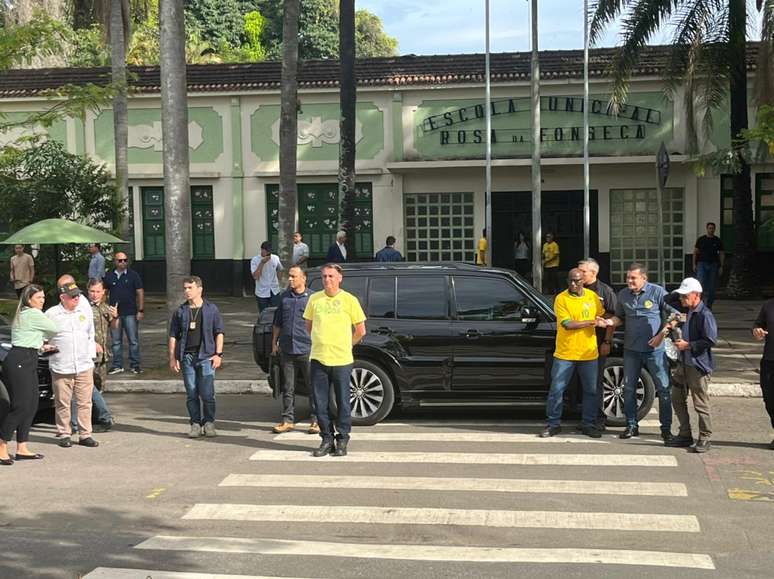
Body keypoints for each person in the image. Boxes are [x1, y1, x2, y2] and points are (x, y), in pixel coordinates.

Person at [604, 263, 677, 443]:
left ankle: (666, 430)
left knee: (664, 389)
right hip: (631, 350)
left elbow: (676, 316)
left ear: (644, 278)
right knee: (628, 389)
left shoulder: (658, 292)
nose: (629, 280)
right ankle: (631, 425)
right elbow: (619, 318)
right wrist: (608, 323)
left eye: (633, 278)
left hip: (655, 351)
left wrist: (662, 334)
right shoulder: (623, 295)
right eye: (628, 277)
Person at [304, 263, 366, 457]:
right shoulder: (314, 299)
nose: (327, 280)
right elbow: (309, 326)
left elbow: (360, 331)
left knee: (343, 402)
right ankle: (326, 438)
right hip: (319, 359)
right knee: (320, 403)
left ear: (340, 278)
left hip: (342, 360)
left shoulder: (349, 300)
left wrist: (346, 345)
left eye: (331, 276)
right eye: (324, 276)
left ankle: (343, 439)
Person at [541, 268, 606, 439]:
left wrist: (602, 325)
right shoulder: (561, 298)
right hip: (565, 353)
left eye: (577, 281)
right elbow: (567, 324)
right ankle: (553, 424)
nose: (573, 284)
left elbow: (601, 314)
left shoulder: (592, 297)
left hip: (588, 353)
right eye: (570, 280)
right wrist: (592, 321)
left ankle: (588, 424)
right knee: (557, 389)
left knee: (591, 391)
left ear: (583, 281)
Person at [0, 285, 58, 465]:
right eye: (39, 297)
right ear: (29, 299)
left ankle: (22, 448)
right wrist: (44, 339)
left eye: (43, 297)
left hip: (28, 357)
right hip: (20, 360)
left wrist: (40, 344)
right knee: (21, 406)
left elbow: (27, 337)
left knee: (32, 404)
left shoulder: (26, 314)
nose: (42, 300)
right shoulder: (32, 313)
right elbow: (54, 328)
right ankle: (1, 445)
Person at [660, 278, 717, 453]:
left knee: (700, 403)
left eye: (686, 296)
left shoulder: (704, 314)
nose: (682, 299)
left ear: (696, 295)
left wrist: (688, 345)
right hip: (683, 363)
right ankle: (685, 434)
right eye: (682, 296)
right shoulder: (688, 310)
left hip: (697, 365)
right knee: (677, 397)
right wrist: (678, 294)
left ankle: (705, 437)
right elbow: (668, 300)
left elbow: (710, 340)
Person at [168, 276, 225, 438]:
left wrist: (218, 354)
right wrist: (173, 357)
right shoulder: (180, 311)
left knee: (207, 393)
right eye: (185, 288)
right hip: (187, 357)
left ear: (199, 289)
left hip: (206, 356)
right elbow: (173, 335)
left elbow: (219, 332)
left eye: (190, 288)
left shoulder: (211, 309)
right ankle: (195, 423)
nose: (186, 291)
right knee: (191, 392)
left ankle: (209, 422)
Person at [46, 280, 99, 448]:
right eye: (72, 296)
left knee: (85, 402)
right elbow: (43, 338)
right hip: (62, 366)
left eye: (78, 295)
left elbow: (90, 334)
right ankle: (64, 432)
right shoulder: (52, 314)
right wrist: (51, 354)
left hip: (83, 364)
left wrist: (90, 357)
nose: (77, 299)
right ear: (62, 297)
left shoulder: (83, 311)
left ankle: (85, 434)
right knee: (63, 402)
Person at [271, 265, 318, 434]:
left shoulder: (313, 298)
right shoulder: (284, 298)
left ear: (303, 278)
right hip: (287, 349)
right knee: (288, 387)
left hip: (307, 349)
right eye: (289, 276)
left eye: (293, 276)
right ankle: (287, 420)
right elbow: (277, 323)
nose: (290, 279)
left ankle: (316, 420)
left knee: (313, 387)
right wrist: (274, 344)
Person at [578, 258, 617, 431]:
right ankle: (585, 416)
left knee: (596, 382)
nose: (579, 274)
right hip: (577, 344)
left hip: (597, 343)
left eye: (583, 272)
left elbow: (612, 318)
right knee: (581, 383)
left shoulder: (605, 291)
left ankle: (598, 418)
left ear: (594, 273)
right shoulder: (575, 289)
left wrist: (607, 341)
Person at [103, 252, 144, 375]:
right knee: (116, 341)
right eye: (120, 260)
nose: (123, 263)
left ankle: (135, 364)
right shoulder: (109, 276)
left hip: (131, 312)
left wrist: (141, 310)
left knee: (133, 340)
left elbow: (140, 292)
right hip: (115, 313)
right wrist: (105, 309)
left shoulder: (133, 275)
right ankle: (117, 365)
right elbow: (104, 293)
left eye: (125, 260)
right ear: (115, 261)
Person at [85, 278, 117, 432]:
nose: (95, 294)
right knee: (88, 387)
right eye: (92, 291)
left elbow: (114, 327)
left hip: (103, 355)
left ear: (103, 292)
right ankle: (102, 417)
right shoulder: (83, 309)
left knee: (99, 387)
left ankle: (96, 418)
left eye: (98, 291)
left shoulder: (105, 308)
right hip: (88, 354)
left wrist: (115, 316)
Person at [752, 297, 774, 449]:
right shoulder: (768, 305)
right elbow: (758, 325)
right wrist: (757, 331)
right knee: (769, 399)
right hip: (769, 360)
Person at [693, 222, 724, 309]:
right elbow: (695, 252)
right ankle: (699, 304)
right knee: (700, 284)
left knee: (712, 286)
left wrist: (721, 266)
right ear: (707, 229)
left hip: (713, 264)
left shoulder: (717, 240)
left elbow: (721, 253)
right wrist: (694, 264)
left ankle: (709, 305)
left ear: (715, 229)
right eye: (709, 228)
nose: (711, 230)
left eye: (712, 228)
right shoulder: (701, 239)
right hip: (701, 263)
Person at [251, 241, 283, 313]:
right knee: (263, 313)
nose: (268, 253)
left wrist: (279, 280)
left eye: (270, 251)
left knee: (276, 312)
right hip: (262, 291)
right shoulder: (255, 260)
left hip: (274, 290)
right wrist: (262, 263)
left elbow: (279, 269)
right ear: (262, 250)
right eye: (267, 251)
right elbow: (256, 277)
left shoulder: (275, 258)